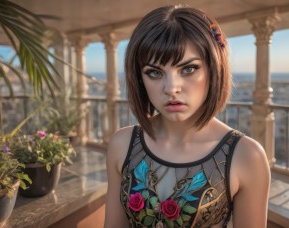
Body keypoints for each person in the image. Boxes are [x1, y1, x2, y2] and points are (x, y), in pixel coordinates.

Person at [105, 4, 270, 228]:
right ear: (139, 78)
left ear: (214, 69)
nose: (171, 88)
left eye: (188, 69)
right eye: (154, 72)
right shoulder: (122, 145)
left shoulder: (246, 156)